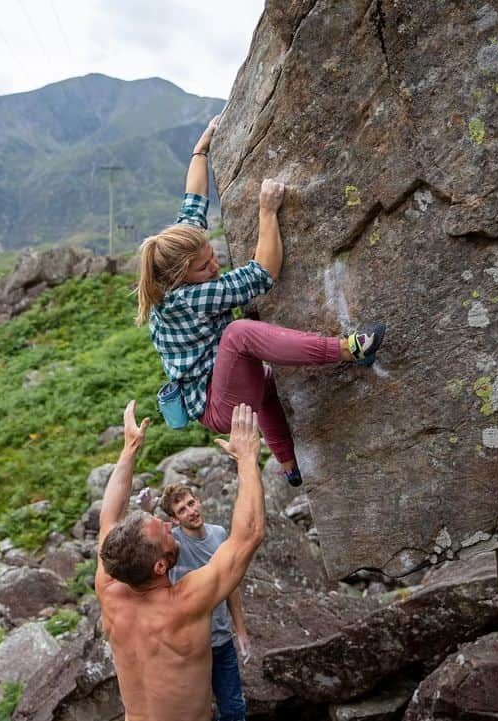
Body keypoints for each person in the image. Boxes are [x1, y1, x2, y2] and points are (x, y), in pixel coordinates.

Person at [136, 115, 385, 486]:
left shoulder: (171, 263)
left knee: (266, 382)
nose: (214, 264)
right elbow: (261, 274)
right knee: (238, 335)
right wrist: (267, 212)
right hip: (219, 408)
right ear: (180, 277)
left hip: (223, 390)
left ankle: (289, 465)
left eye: (212, 254)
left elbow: (193, 205)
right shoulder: (186, 300)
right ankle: (348, 350)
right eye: (205, 267)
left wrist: (200, 149)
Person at [96, 400, 265, 721]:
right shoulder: (185, 604)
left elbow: (109, 517)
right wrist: (246, 458)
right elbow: (250, 534)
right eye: (165, 531)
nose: (169, 525)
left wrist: (130, 448)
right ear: (160, 566)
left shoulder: (109, 588)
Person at [157, 482, 252, 721]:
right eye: (182, 510)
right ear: (175, 519)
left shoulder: (219, 534)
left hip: (220, 640)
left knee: (235, 711)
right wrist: (148, 512)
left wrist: (241, 633)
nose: (191, 511)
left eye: (191, 503)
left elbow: (230, 586)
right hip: (187, 647)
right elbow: (149, 546)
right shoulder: (173, 541)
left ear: (198, 501)